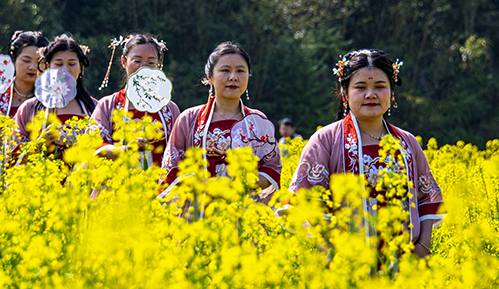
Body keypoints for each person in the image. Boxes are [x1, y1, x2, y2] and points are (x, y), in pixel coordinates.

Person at [288, 49, 444, 258]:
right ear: (345, 92)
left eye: (380, 87)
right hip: (347, 269)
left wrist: (422, 248)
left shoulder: (408, 143)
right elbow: (306, 203)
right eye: (360, 87)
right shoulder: (325, 140)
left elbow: (427, 200)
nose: (371, 94)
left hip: (406, 269)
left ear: (392, 92)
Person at [162, 42, 281, 199]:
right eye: (225, 70)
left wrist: (242, 183)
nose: (233, 77)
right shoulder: (189, 119)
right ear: (210, 77)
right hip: (196, 210)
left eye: (240, 71)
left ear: (248, 76)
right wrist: (206, 185)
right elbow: (172, 168)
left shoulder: (258, 121)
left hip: (244, 208)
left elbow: (272, 168)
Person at [92, 33, 180, 166]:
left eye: (151, 62)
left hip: (159, 184)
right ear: (123, 62)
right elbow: (93, 145)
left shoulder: (169, 109)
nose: (143, 67)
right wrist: (123, 150)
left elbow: (180, 152)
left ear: (158, 65)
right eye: (137, 61)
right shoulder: (108, 105)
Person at [13, 35, 97, 153]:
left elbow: (104, 149)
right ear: (48, 66)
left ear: (80, 67)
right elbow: (11, 153)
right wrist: (39, 145)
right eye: (58, 64)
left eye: (72, 64)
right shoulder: (29, 108)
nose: (65, 69)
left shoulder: (94, 107)